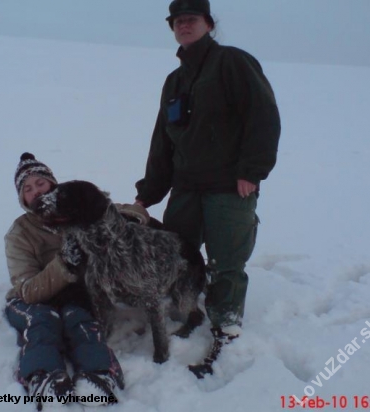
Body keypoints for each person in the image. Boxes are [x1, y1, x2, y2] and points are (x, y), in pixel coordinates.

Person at [134, 0, 281, 378]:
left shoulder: (232, 62)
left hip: (229, 186)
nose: (184, 25)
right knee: (177, 254)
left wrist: (252, 169)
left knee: (227, 260)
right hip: (186, 188)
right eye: (177, 21)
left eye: (191, 19)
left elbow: (262, 116)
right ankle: (186, 309)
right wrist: (148, 193)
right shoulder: (175, 80)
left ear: (209, 24)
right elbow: (162, 142)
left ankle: (226, 322)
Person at [4, 153, 129, 411]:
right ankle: (43, 379)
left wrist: (134, 218)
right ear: (22, 198)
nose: (35, 191)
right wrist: (64, 264)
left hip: (74, 296)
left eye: (40, 183)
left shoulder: (74, 208)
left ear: (52, 183)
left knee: (79, 319)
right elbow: (27, 290)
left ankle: (99, 375)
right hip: (32, 301)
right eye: (27, 189)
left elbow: (115, 209)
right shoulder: (19, 233)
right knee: (42, 321)